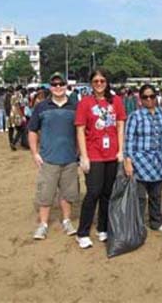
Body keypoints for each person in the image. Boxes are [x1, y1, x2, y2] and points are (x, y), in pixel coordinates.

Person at [75, 69, 126, 249]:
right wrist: (84, 156)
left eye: (102, 80)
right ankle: (82, 231)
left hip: (112, 154)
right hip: (94, 154)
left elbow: (120, 126)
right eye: (95, 81)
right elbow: (80, 130)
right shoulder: (85, 103)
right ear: (91, 83)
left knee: (107, 194)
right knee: (93, 192)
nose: (99, 84)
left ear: (107, 82)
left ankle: (103, 227)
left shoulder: (116, 101)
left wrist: (121, 150)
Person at [28, 72, 79, 240]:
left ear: (66, 86)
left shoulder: (75, 105)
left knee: (67, 193)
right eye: (55, 84)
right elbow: (32, 131)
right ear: (50, 87)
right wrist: (35, 153)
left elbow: (82, 130)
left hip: (70, 159)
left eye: (61, 84)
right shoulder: (42, 106)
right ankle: (43, 224)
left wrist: (79, 151)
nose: (58, 87)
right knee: (46, 194)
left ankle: (66, 220)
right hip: (48, 159)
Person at [124, 84, 162, 234]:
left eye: (152, 96)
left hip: (160, 162)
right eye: (145, 97)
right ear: (140, 99)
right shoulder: (135, 116)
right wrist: (128, 161)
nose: (149, 100)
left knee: (156, 195)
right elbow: (128, 140)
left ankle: (156, 222)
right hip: (140, 162)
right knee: (139, 197)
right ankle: (137, 225)